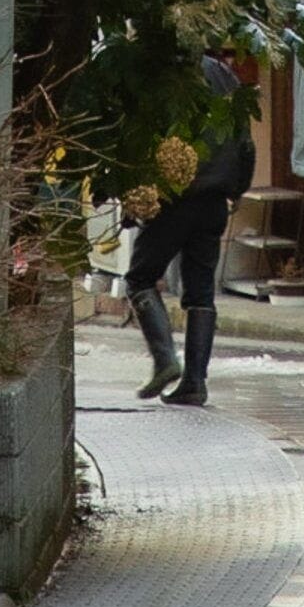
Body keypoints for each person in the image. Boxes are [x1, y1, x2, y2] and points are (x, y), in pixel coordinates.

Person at [126, 45, 256, 407]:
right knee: (201, 293)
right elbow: (245, 139)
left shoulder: (159, 78)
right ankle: (195, 382)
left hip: (174, 198)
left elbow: (139, 140)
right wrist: (238, 188)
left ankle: (165, 359)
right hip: (215, 199)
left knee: (139, 277)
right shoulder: (223, 74)